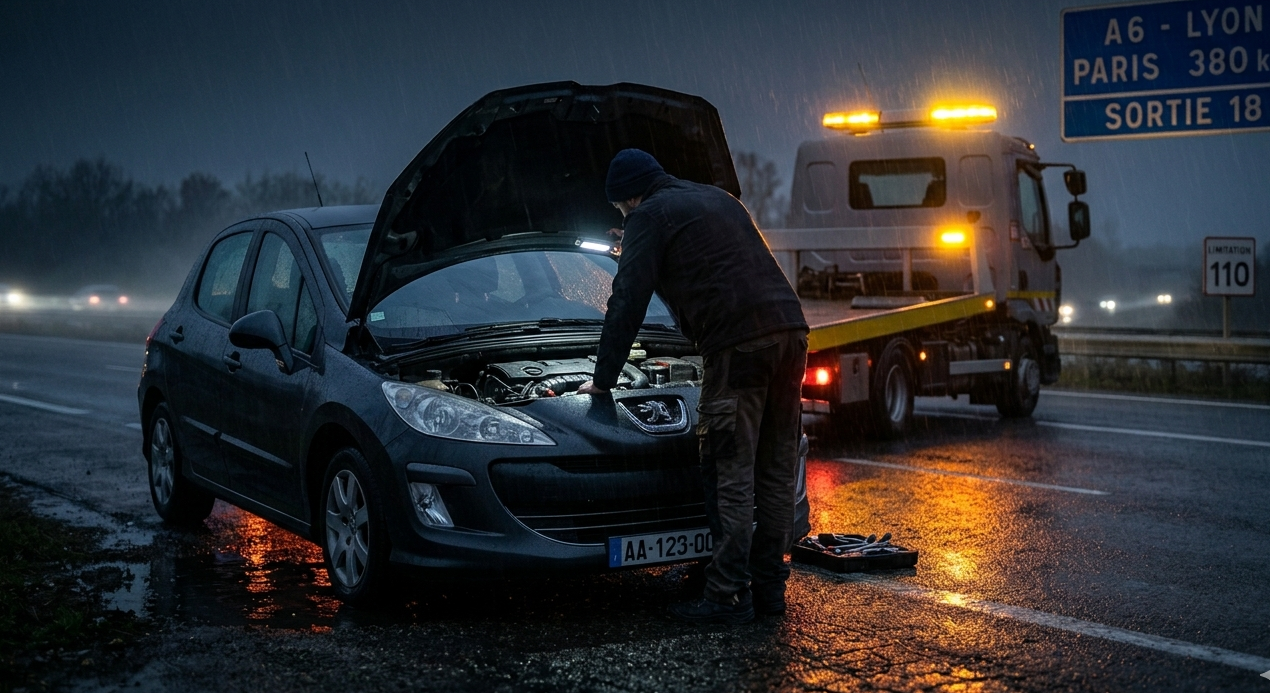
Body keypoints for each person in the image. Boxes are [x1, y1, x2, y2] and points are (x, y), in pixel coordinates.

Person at [577, 149, 808, 624]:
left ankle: (725, 596)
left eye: (621, 208)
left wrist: (601, 382)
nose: (624, 215)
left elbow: (626, 301)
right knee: (776, 470)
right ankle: (770, 594)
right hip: (791, 333)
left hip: (738, 344)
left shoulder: (647, 216)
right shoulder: (716, 198)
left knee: (731, 472)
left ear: (629, 198)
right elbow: (714, 258)